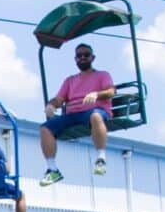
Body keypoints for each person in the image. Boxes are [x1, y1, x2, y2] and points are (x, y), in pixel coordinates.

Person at [38, 42, 114, 186]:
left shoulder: (102, 75)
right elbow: (59, 99)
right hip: (73, 114)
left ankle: (101, 159)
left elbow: (110, 91)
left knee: (95, 117)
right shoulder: (70, 80)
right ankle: (52, 169)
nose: (82, 58)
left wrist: (96, 94)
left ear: (93, 58)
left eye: (86, 55)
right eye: (79, 56)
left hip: (94, 110)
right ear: (75, 59)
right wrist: (51, 105)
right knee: (45, 128)